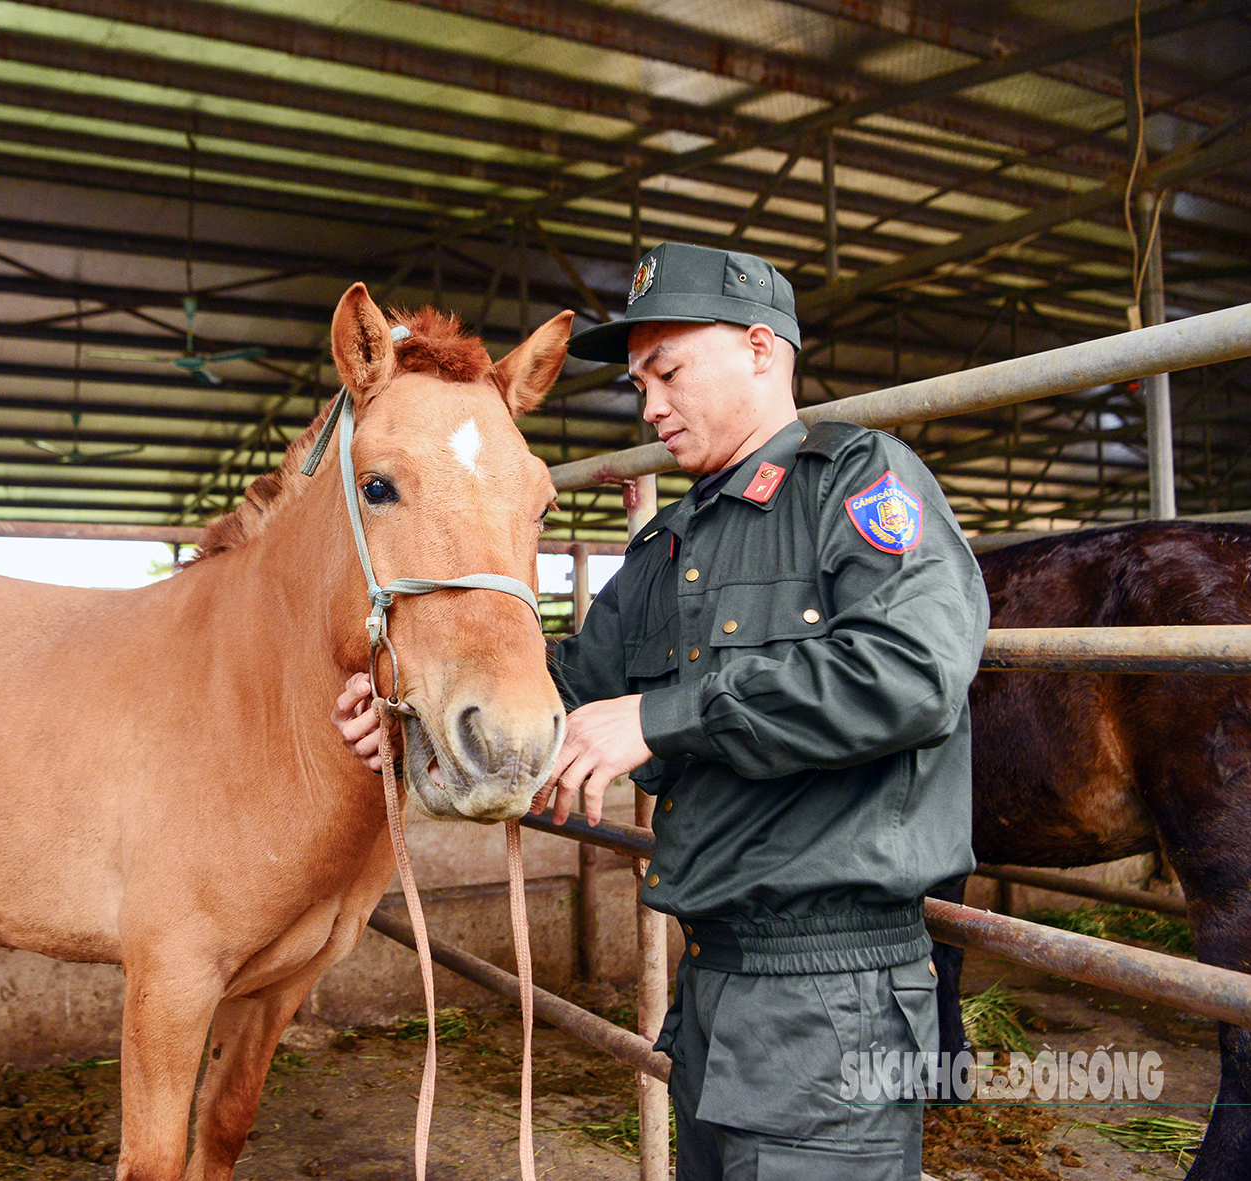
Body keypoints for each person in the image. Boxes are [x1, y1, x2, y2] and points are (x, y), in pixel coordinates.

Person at [332, 241, 989, 1180]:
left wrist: (662, 719)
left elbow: (911, 672)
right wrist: (406, 710)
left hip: (837, 989)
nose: (649, 406)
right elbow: (567, 679)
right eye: (640, 381)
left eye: (667, 371)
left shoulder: (858, 483)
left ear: (762, 350)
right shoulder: (673, 543)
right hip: (714, 983)